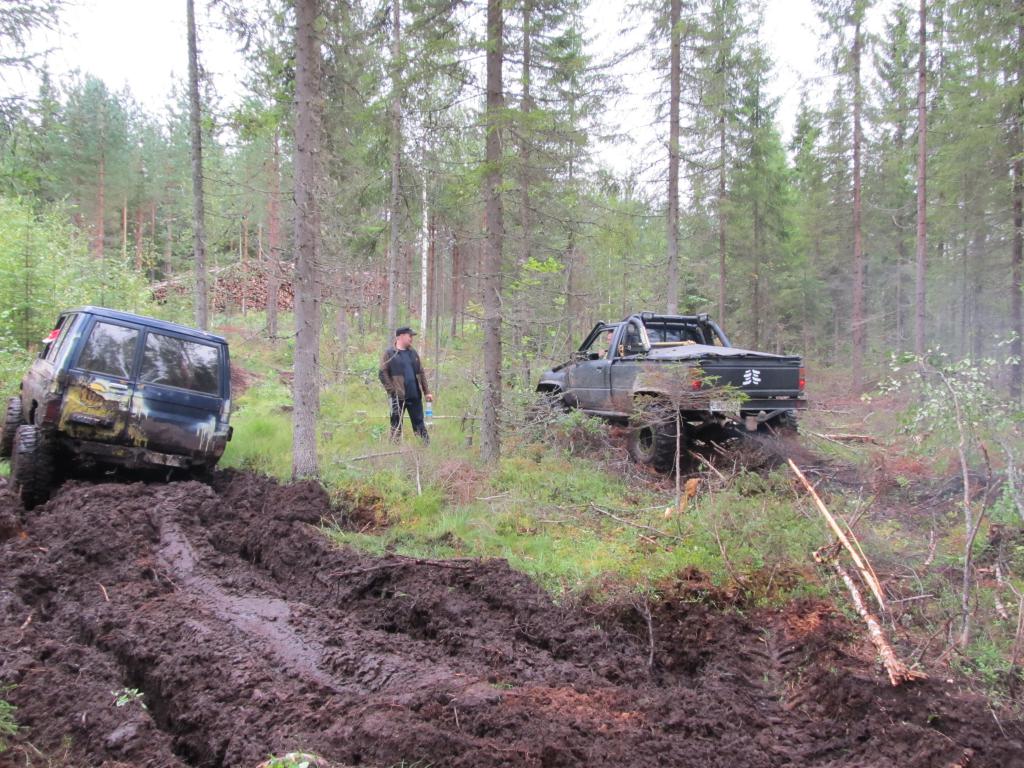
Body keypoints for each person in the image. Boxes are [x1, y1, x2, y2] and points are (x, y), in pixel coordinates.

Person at [379, 326, 433, 444]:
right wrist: (392, 391)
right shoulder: (389, 353)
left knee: (419, 423)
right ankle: (394, 447)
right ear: (401, 336)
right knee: (396, 424)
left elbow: (421, 372)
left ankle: (425, 446)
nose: (411, 338)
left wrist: (427, 392)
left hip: (415, 395)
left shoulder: (413, 353)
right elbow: (382, 373)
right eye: (410, 336)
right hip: (397, 397)